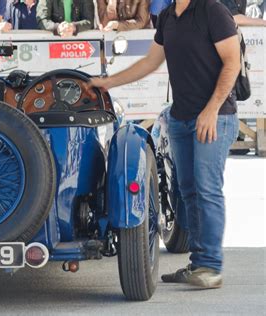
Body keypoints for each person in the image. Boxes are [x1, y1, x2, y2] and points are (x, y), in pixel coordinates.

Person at [89, 0, 240, 289]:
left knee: (206, 189)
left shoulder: (212, 10)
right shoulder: (168, 16)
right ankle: (199, 263)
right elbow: (150, 62)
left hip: (215, 117)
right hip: (181, 119)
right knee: (189, 192)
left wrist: (211, 109)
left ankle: (211, 267)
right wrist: (107, 82)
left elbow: (232, 62)